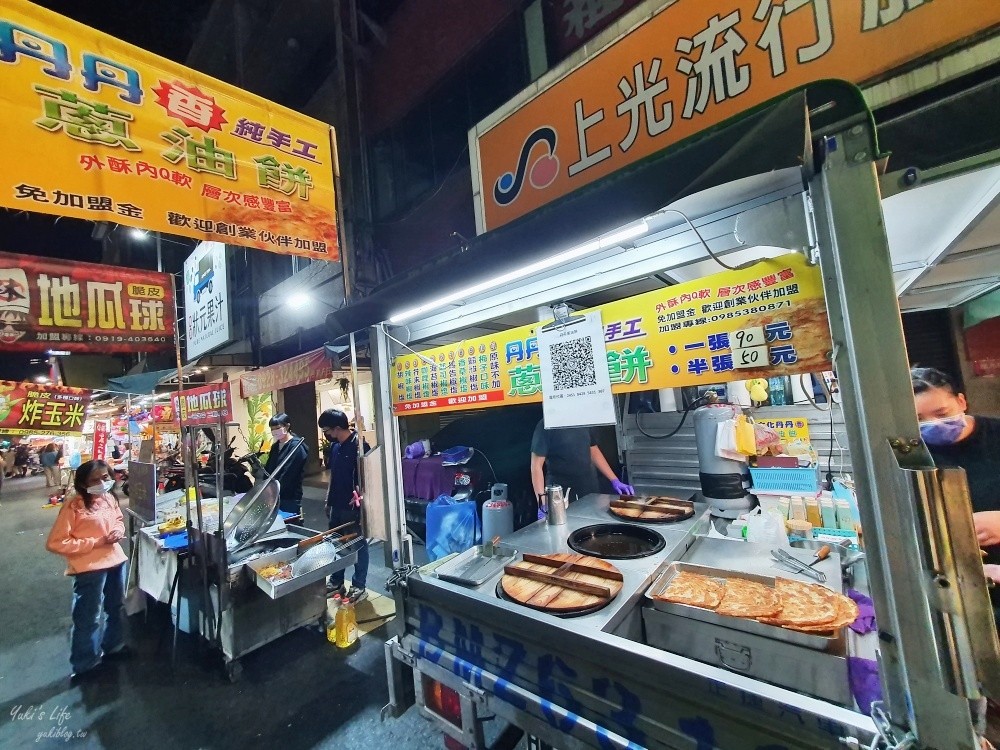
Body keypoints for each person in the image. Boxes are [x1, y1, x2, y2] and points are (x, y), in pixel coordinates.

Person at [45, 460, 130, 682]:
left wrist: (116, 531)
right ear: (83, 482)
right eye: (95, 480)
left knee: (116, 607)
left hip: (115, 560)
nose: (102, 483)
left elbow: (118, 520)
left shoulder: (110, 498)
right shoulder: (74, 505)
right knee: (88, 616)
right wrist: (95, 542)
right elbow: (56, 542)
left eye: (105, 477)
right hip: (89, 568)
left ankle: (114, 646)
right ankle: (84, 663)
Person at [319, 408, 369, 602]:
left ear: (338, 428)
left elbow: (367, 478)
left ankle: (359, 585)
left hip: (353, 506)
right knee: (335, 544)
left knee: (357, 544)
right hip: (336, 504)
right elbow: (333, 475)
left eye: (327, 430)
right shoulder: (336, 447)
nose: (327, 435)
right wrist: (327, 499)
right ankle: (336, 580)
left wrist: (362, 501)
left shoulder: (359, 446)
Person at [530, 419, 634, 510]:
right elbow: (536, 466)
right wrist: (542, 502)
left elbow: (593, 450)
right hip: (560, 491)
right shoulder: (545, 424)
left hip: (588, 487)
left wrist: (614, 480)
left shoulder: (582, 419)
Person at [264, 413, 309, 516]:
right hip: (273, 496)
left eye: (278, 428)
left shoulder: (297, 446)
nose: (275, 431)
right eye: (272, 429)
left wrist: (274, 492)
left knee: (290, 522)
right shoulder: (275, 447)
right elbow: (269, 468)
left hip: (289, 496)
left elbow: (289, 474)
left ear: (287, 426)